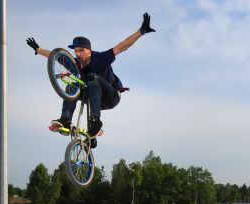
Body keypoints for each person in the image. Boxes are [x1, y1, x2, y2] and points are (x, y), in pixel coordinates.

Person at [26, 13, 155, 148]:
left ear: (89, 50)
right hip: (94, 98)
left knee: (92, 77)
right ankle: (66, 120)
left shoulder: (100, 58)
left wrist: (141, 31)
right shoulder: (74, 64)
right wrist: (37, 49)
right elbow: (55, 56)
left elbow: (122, 46)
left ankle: (95, 122)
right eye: (76, 51)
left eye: (81, 50)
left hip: (111, 96)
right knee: (73, 85)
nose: (78, 54)